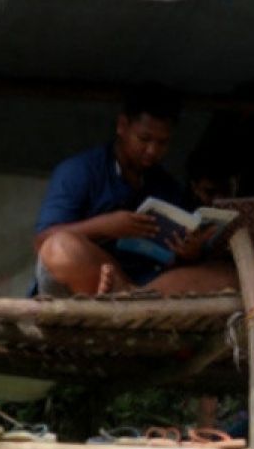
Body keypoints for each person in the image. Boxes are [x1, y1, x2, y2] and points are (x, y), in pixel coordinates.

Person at [32, 86, 239, 296]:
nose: (152, 150)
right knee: (60, 249)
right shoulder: (79, 171)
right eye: (144, 139)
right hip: (97, 276)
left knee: (228, 275)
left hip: (150, 286)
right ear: (122, 126)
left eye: (162, 142)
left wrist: (190, 252)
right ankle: (124, 297)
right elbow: (42, 241)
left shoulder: (166, 185)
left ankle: (130, 299)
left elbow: (178, 257)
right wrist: (105, 226)